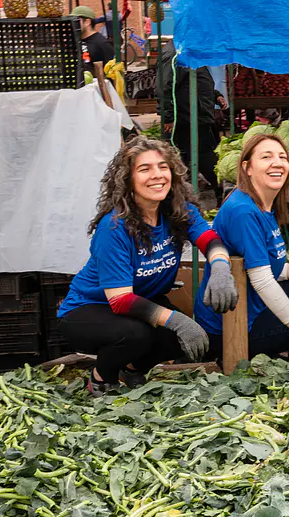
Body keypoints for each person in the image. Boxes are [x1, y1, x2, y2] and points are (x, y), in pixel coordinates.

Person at [58, 137, 240, 395]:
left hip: (140, 302)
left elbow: (210, 240)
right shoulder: (114, 228)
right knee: (138, 334)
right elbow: (120, 300)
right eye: (145, 169)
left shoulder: (178, 211)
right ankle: (101, 378)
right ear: (128, 179)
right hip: (89, 308)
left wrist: (221, 268)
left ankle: (131, 369)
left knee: (179, 338)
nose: (157, 175)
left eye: (163, 167)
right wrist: (177, 320)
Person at [193, 132, 289, 363]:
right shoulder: (244, 211)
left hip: (249, 299)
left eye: (282, 157)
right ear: (247, 168)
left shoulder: (263, 204)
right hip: (231, 326)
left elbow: (260, 265)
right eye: (266, 157)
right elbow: (262, 280)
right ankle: (250, 349)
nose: (277, 163)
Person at [72, 5, 113, 102]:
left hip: (96, 97)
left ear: (87, 22)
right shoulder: (74, 42)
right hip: (77, 95)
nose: (72, 24)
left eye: (76, 21)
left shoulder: (102, 43)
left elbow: (111, 75)